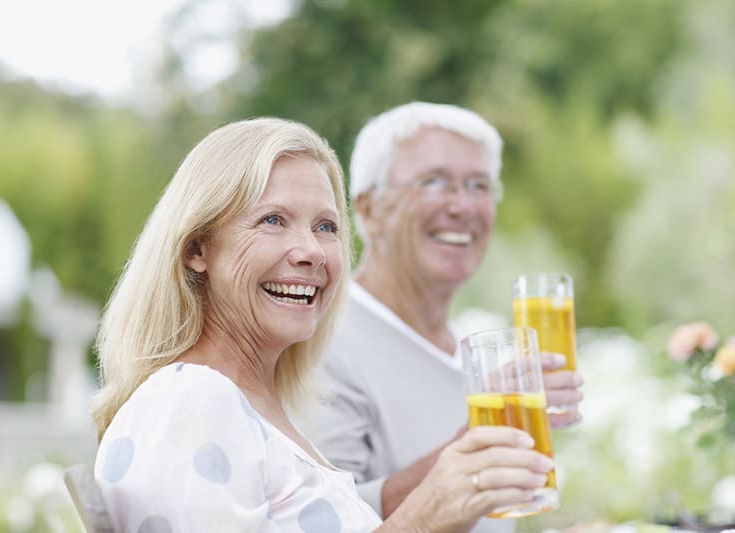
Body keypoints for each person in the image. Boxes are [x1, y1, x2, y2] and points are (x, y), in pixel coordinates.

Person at [91, 117, 555, 532]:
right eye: (273, 220)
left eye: (326, 227)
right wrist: (424, 518)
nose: (311, 250)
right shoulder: (191, 402)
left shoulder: (260, 409)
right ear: (197, 249)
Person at [300, 102, 584, 531]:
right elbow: (324, 519)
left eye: (479, 185)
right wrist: (473, 448)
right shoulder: (319, 340)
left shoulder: (470, 345)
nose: (462, 206)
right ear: (370, 210)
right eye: (435, 182)